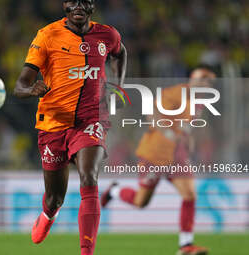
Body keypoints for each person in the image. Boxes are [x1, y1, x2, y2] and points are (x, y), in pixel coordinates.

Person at [13, 1, 127, 254]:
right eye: (72, 0)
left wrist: (117, 87)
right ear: (64, 5)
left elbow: (120, 53)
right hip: (54, 124)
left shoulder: (107, 34)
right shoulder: (47, 35)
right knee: (55, 198)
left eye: (84, 1)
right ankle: (48, 214)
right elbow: (19, 85)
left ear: (92, 6)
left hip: (91, 120)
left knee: (89, 177)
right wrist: (31, 90)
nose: (78, 5)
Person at [101, 66, 216, 255]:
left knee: (189, 195)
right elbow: (152, 113)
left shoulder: (200, 102)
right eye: (202, 79)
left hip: (176, 157)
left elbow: (188, 126)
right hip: (154, 153)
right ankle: (114, 190)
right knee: (141, 202)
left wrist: (189, 141)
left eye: (210, 81)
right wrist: (168, 132)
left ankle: (186, 246)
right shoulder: (177, 93)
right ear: (192, 79)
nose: (206, 84)